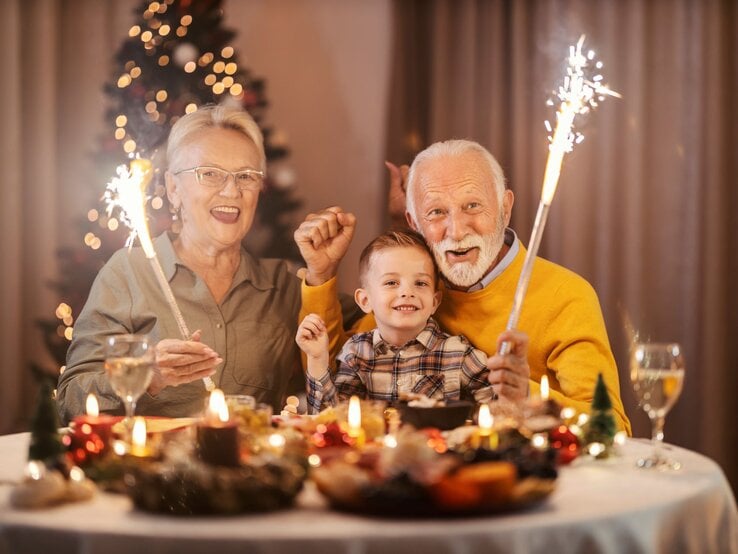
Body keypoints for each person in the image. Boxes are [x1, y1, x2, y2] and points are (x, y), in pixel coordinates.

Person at [295, 139, 631, 432]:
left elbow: (612, 427)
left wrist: (527, 394)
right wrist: (321, 274)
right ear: (414, 222)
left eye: (472, 205)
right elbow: (335, 370)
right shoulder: (419, 290)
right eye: (436, 212)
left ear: (505, 207)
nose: (456, 230)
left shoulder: (565, 296)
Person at [57, 105, 301, 423]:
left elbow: (379, 334)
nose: (232, 190)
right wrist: (147, 375)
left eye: (245, 176)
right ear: (173, 189)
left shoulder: (285, 285)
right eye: (209, 174)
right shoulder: (127, 273)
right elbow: (69, 401)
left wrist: (330, 267)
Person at [296, 230, 494, 414]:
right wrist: (317, 359)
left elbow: (496, 410)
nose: (407, 292)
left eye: (420, 283)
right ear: (366, 300)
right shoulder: (356, 353)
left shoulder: (458, 353)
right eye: (392, 283)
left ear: (435, 302)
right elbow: (332, 419)